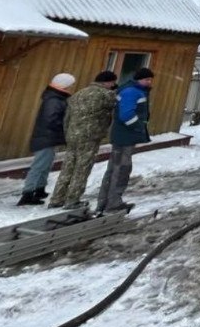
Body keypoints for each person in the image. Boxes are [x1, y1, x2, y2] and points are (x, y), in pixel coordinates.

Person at [48, 71, 118, 210]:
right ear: (107, 82)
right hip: (89, 137)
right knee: (82, 168)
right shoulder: (105, 94)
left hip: (72, 135)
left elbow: (67, 116)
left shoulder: (79, 93)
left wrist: (67, 132)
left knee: (68, 167)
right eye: (112, 83)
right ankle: (72, 200)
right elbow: (114, 104)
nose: (113, 85)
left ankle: (57, 198)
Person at [96, 67, 154, 216]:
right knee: (121, 169)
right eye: (147, 79)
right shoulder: (131, 92)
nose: (149, 82)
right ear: (139, 79)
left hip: (122, 136)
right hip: (125, 137)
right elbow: (126, 115)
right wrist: (138, 128)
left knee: (114, 169)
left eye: (150, 79)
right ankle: (113, 203)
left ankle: (104, 202)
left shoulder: (130, 90)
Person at [17, 73, 77, 206]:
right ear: (64, 85)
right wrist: (63, 127)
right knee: (39, 166)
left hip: (48, 136)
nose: (72, 87)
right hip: (46, 136)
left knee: (46, 164)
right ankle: (27, 193)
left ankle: (39, 189)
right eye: (70, 85)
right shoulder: (54, 100)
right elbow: (51, 119)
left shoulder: (55, 97)